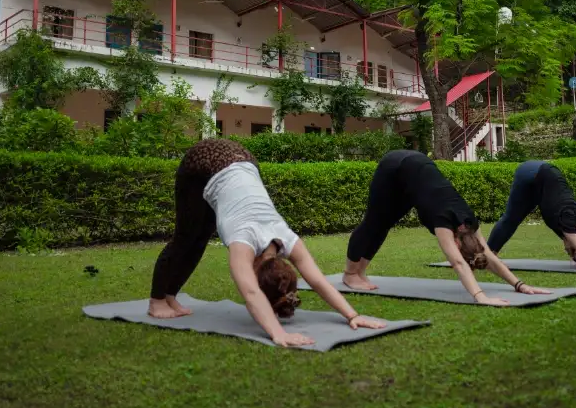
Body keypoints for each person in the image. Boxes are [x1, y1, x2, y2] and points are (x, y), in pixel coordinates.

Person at [149, 139, 385, 347]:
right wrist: (278, 333)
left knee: (200, 237)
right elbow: (251, 292)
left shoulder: (288, 239)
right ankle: (157, 301)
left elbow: (318, 281)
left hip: (243, 160)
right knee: (185, 236)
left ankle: (171, 296)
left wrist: (352, 315)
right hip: (203, 160)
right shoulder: (243, 241)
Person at [344, 150, 552, 306]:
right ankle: (350, 274)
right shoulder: (444, 222)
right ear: (456, 241)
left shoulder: (471, 222)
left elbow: (488, 254)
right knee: (373, 221)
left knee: (385, 223)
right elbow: (458, 262)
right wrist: (480, 297)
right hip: (395, 166)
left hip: (415, 174)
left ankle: (360, 273)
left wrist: (519, 285)